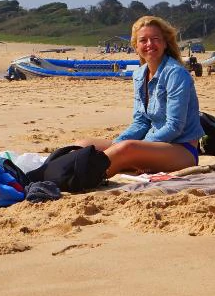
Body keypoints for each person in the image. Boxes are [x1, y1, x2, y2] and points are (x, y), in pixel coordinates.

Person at [79, 15, 204, 178]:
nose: (150, 44)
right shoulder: (139, 74)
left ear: (165, 43)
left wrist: (137, 146)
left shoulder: (176, 73)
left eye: (155, 39)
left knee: (126, 149)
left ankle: (80, 177)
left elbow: (174, 126)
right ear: (136, 46)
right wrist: (118, 144)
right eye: (143, 40)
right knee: (83, 145)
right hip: (149, 143)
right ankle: (93, 166)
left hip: (180, 149)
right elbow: (141, 121)